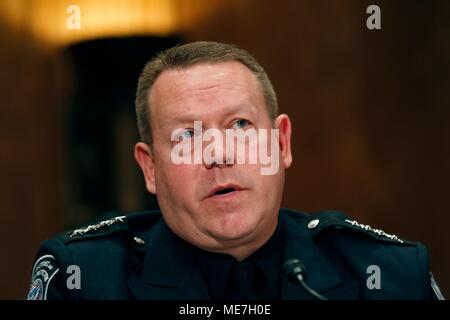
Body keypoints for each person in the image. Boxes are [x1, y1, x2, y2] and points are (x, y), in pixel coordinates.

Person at [27, 41, 444, 300]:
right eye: (187, 136)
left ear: (281, 143)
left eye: (240, 126)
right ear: (150, 168)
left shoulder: (390, 276)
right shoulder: (83, 280)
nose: (219, 155)